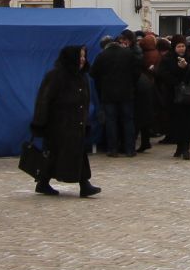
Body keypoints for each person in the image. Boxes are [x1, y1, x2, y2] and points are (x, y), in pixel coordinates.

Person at [31, 46, 98, 197]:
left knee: (77, 152)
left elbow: (85, 102)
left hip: (76, 123)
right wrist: (39, 122)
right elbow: (44, 99)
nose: (82, 59)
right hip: (59, 123)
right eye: (79, 56)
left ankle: (83, 184)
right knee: (56, 153)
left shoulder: (82, 76)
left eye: (84, 56)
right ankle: (45, 182)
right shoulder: (55, 76)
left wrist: (85, 121)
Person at [89, 30, 141, 158]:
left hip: (108, 93)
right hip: (127, 92)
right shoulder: (128, 53)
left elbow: (92, 73)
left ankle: (113, 149)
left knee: (111, 121)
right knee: (128, 120)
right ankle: (130, 149)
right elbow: (137, 72)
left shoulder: (102, 56)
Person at [155, 36, 190, 160]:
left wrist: (187, 67)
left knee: (188, 123)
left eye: (183, 46)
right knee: (177, 123)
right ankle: (180, 147)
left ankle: (186, 148)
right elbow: (163, 75)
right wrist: (178, 70)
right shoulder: (167, 59)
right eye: (179, 46)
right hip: (174, 97)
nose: (181, 49)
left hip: (188, 96)